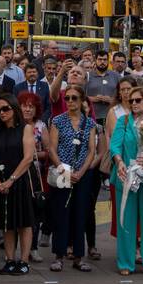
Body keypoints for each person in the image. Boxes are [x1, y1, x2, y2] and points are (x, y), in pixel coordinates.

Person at [110, 85, 143, 276]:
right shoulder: (123, 122)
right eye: (131, 100)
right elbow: (114, 146)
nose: (133, 103)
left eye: (137, 100)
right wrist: (119, 162)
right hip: (127, 175)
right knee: (126, 220)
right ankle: (125, 262)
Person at [47, 86, 99, 272]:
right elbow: (52, 148)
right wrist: (63, 170)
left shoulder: (90, 123)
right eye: (67, 98)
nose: (70, 101)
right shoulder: (58, 121)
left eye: (74, 98)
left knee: (81, 213)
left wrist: (82, 172)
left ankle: (79, 255)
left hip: (83, 174)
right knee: (61, 212)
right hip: (63, 171)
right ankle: (59, 255)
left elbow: (92, 150)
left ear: (82, 100)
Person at [0, 93, 36, 275]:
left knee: (24, 223)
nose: (2, 113)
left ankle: (24, 261)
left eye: (5, 109)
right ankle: (10, 259)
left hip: (19, 180)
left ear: (13, 108)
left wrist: (11, 180)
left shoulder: (25, 128)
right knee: (7, 223)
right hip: (2, 182)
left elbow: (28, 158)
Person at [17, 91, 49, 260]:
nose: (28, 110)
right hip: (16, 172)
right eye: (24, 106)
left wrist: (35, 154)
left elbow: (48, 151)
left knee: (35, 210)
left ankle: (33, 247)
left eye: (31, 106)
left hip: (35, 174)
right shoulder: (14, 124)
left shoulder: (41, 126)